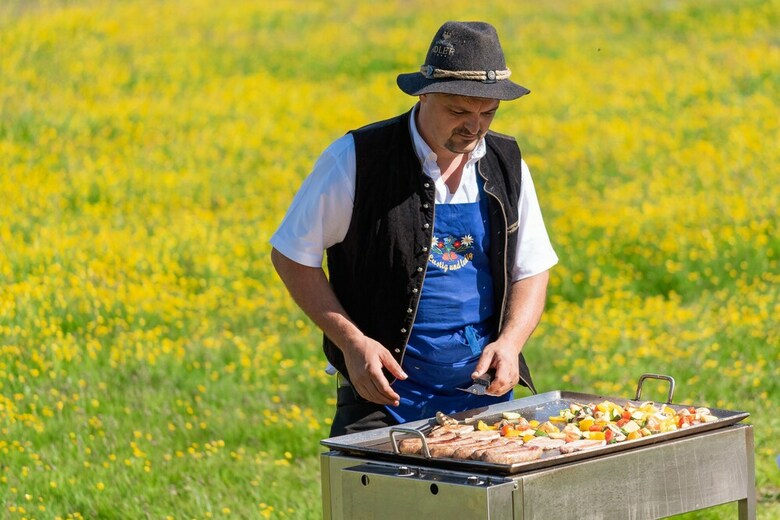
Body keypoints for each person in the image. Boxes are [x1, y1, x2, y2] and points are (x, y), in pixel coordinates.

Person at [270, 21, 558, 437]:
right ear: (424, 94)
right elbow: (292, 256)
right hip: (380, 396)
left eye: (488, 113)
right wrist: (352, 342)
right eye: (458, 111)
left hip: (486, 399)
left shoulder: (507, 162)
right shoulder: (357, 159)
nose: (474, 127)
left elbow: (531, 269)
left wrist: (510, 343)